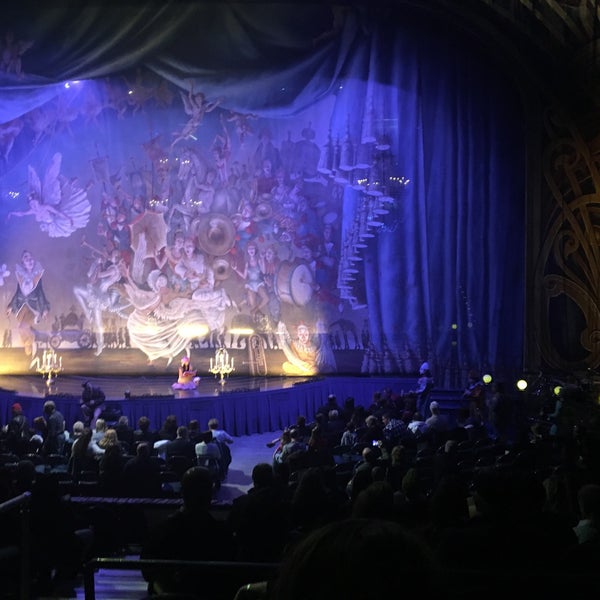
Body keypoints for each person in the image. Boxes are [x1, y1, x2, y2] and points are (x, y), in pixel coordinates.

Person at [140, 466, 235, 597]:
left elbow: (147, 572)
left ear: (182, 493)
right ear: (210, 495)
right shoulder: (222, 534)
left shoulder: (162, 529)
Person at [6, 249, 50, 357]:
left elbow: (40, 293)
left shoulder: (37, 277)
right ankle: (29, 342)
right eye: (26, 258)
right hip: (21, 307)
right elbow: (17, 293)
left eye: (30, 258)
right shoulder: (21, 277)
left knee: (22, 327)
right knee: (21, 327)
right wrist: (11, 306)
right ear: (23, 263)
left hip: (32, 308)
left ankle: (30, 342)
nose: (29, 260)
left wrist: (44, 309)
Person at [232, 240, 269, 316]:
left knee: (266, 299)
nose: (251, 250)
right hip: (251, 284)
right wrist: (236, 269)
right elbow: (244, 276)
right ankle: (255, 314)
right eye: (249, 249)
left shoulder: (259, 260)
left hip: (259, 283)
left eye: (252, 248)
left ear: (255, 249)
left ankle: (255, 310)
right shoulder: (247, 263)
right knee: (252, 304)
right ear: (247, 251)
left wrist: (262, 259)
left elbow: (264, 271)